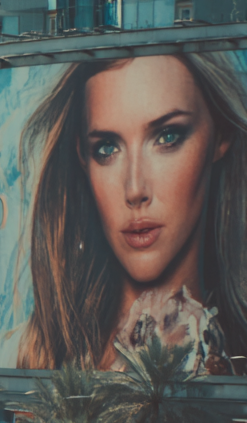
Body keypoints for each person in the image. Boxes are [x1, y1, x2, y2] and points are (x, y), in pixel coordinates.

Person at [17, 52, 247, 372]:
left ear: (220, 135)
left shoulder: (235, 355)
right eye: (107, 148)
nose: (135, 189)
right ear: (83, 158)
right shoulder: (43, 356)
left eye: (167, 137)